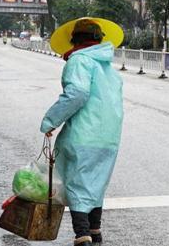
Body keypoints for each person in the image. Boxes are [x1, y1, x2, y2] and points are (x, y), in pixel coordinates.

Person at [40, 18, 124, 246]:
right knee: (96, 184)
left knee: (77, 184)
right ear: (99, 40)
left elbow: (76, 93)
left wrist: (50, 121)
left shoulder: (79, 61)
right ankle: (95, 233)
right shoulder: (107, 68)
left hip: (84, 135)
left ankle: (82, 236)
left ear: (75, 40)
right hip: (108, 137)